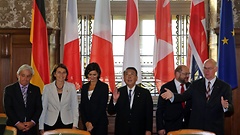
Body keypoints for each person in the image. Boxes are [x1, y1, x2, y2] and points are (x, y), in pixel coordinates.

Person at [161, 58, 233, 135]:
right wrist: (173, 96)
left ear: (216, 69)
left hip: (214, 129)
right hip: (196, 128)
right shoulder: (195, 84)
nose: (206, 71)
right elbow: (184, 96)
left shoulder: (224, 87)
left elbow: (231, 109)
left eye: (209, 68)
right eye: (205, 68)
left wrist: (226, 107)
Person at [108, 67, 153, 135]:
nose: (129, 77)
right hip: (121, 131)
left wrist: (148, 129)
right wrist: (114, 100)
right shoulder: (118, 92)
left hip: (139, 130)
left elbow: (149, 113)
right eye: (127, 74)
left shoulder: (145, 93)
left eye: (132, 74)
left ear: (136, 78)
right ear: (124, 78)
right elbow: (110, 111)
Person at [39, 63, 79, 134]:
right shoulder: (47, 88)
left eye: (64, 72)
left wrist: (75, 125)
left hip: (67, 122)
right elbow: (43, 108)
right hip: (50, 123)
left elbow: (75, 107)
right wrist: (41, 127)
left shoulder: (71, 87)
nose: (61, 75)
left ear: (66, 74)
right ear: (54, 74)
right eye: (59, 72)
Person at [4, 64, 42, 135]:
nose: (25, 78)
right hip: (14, 128)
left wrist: (32, 122)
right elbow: (8, 108)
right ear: (18, 75)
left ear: (31, 77)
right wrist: (18, 123)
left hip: (31, 129)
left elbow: (39, 108)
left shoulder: (36, 90)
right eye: (23, 75)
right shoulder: (9, 90)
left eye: (28, 76)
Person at [156, 65, 192, 135]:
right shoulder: (166, 87)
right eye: (185, 74)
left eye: (188, 74)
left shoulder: (191, 86)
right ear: (177, 74)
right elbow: (160, 109)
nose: (187, 76)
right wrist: (160, 127)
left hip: (188, 126)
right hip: (171, 126)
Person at [80, 62, 109, 135]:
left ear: (98, 74)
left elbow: (102, 107)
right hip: (86, 124)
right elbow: (82, 106)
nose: (92, 77)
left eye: (94, 74)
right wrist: (86, 122)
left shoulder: (103, 87)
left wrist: (92, 123)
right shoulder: (84, 87)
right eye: (90, 74)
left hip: (100, 123)